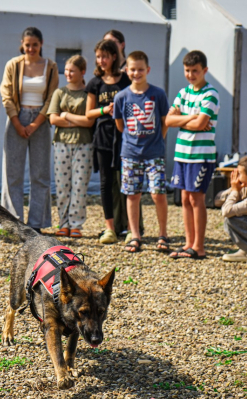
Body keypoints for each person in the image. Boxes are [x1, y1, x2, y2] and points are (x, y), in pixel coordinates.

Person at [0, 27, 58, 233]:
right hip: (16, 116)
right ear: (22, 45)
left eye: (35, 44)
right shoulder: (13, 65)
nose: (31, 48)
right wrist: (17, 122)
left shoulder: (50, 67)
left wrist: (36, 123)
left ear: (41, 44)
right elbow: (6, 94)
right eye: (27, 45)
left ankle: (36, 223)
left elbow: (52, 97)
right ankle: (13, 223)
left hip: (40, 121)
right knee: (12, 173)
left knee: (40, 173)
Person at [113, 51, 170, 254]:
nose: (136, 73)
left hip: (154, 153)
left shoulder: (158, 94)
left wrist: (156, 141)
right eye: (132, 69)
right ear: (126, 70)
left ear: (148, 70)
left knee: (158, 194)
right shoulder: (121, 97)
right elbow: (121, 126)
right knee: (132, 195)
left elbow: (165, 123)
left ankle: (163, 234)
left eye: (140, 69)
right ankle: (135, 235)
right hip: (130, 153)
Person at [167, 50, 219, 260]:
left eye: (195, 71)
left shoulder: (211, 93)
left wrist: (185, 119)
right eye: (187, 71)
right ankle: (189, 243)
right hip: (182, 154)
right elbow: (168, 121)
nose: (190, 75)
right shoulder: (183, 92)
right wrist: (193, 118)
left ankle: (199, 247)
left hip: (201, 155)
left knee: (197, 199)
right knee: (185, 198)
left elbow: (201, 123)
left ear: (204, 70)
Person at [85, 40, 132, 245]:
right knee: (105, 183)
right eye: (98, 57)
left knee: (128, 182)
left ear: (114, 56)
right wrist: (106, 109)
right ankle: (109, 228)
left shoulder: (126, 80)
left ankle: (132, 228)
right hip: (103, 136)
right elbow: (89, 113)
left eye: (104, 56)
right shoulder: (95, 82)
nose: (101, 60)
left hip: (125, 136)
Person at [47, 55, 94, 238]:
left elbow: (89, 122)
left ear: (82, 72)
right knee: (62, 185)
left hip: (84, 144)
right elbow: (53, 118)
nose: (68, 73)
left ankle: (76, 223)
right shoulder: (60, 93)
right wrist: (75, 120)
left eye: (72, 70)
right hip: (61, 143)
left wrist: (66, 115)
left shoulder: (88, 94)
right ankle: (63, 222)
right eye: (66, 70)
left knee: (79, 185)